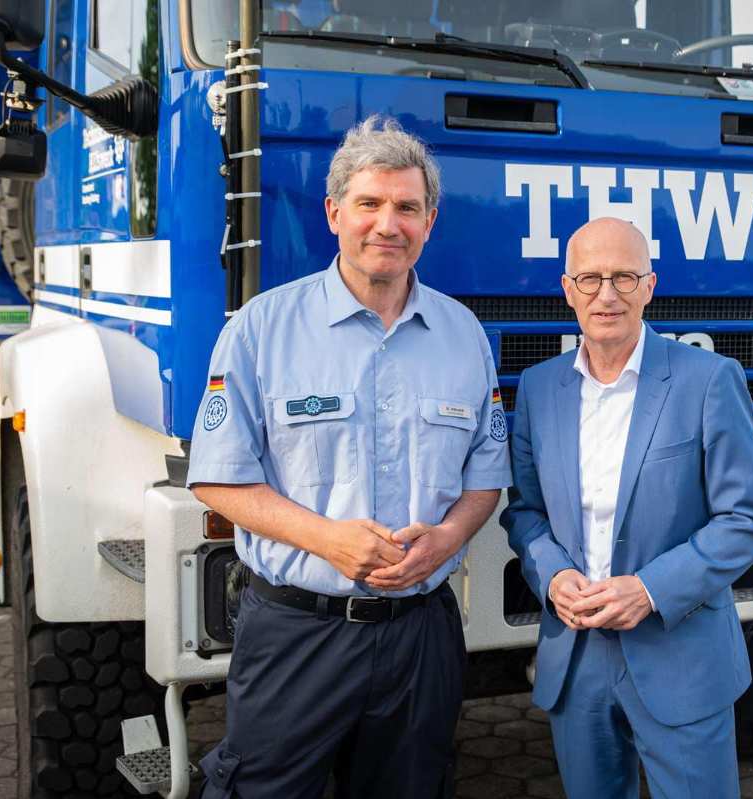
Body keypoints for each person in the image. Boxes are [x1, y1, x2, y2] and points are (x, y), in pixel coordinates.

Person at [187, 115, 511, 799]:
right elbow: (216, 475)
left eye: (406, 207)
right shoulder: (261, 328)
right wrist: (327, 539)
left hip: (420, 637)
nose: (387, 224)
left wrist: (450, 535)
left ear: (430, 220)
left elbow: (486, 474)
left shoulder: (464, 335)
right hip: (297, 634)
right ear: (334, 213)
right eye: (369, 203)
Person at [500, 217, 753, 798]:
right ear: (567, 287)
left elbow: (748, 518)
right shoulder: (538, 388)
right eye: (591, 278)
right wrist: (552, 577)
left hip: (680, 654)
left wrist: (649, 590)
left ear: (650, 286)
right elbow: (525, 511)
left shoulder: (708, 380)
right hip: (575, 662)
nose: (607, 295)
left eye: (624, 278)